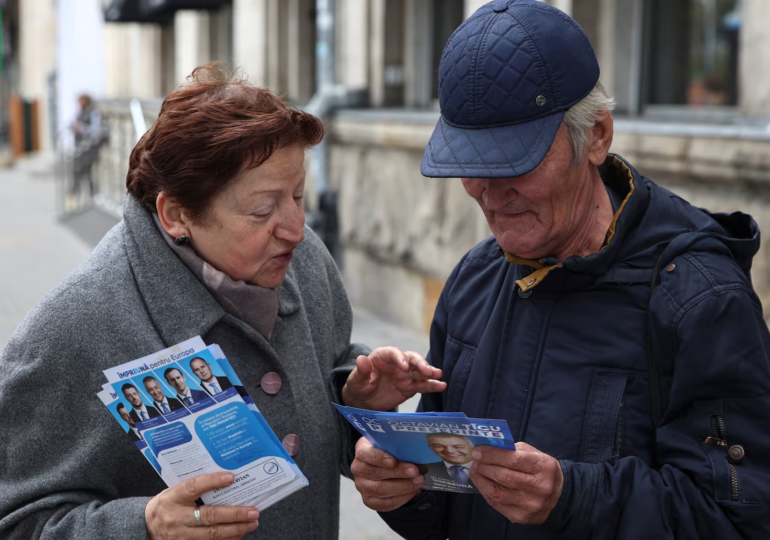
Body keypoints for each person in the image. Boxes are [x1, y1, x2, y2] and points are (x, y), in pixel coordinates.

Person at [351, 2, 770, 539]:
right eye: (471, 166)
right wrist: (401, 488)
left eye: (515, 162)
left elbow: (739, 520)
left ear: (596, 136)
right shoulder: (476, 278)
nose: (492, 194)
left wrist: (573, 498)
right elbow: (448, 492)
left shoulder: (699, 297)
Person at [0, 64, 446, 540]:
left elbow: (320, 390)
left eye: (298, 195)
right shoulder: (70, 329)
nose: (295, 228)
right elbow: (19, 521)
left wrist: (355, 400)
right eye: (263, 209)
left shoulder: (306, 260)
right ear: (177, 215)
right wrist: (144, 526)